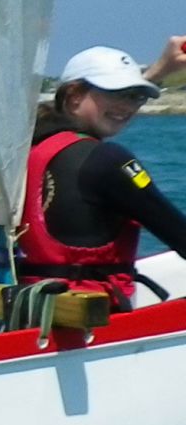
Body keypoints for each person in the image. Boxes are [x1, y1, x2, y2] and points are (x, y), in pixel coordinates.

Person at [15, 39, 186, 310]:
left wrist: (159, 71)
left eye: (135, 96)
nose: (127, 107)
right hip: (94, 318)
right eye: (116, 93)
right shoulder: (109, 162)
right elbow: (180, 234)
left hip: (37, 307)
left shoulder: (30, 146)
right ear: (73, 97)